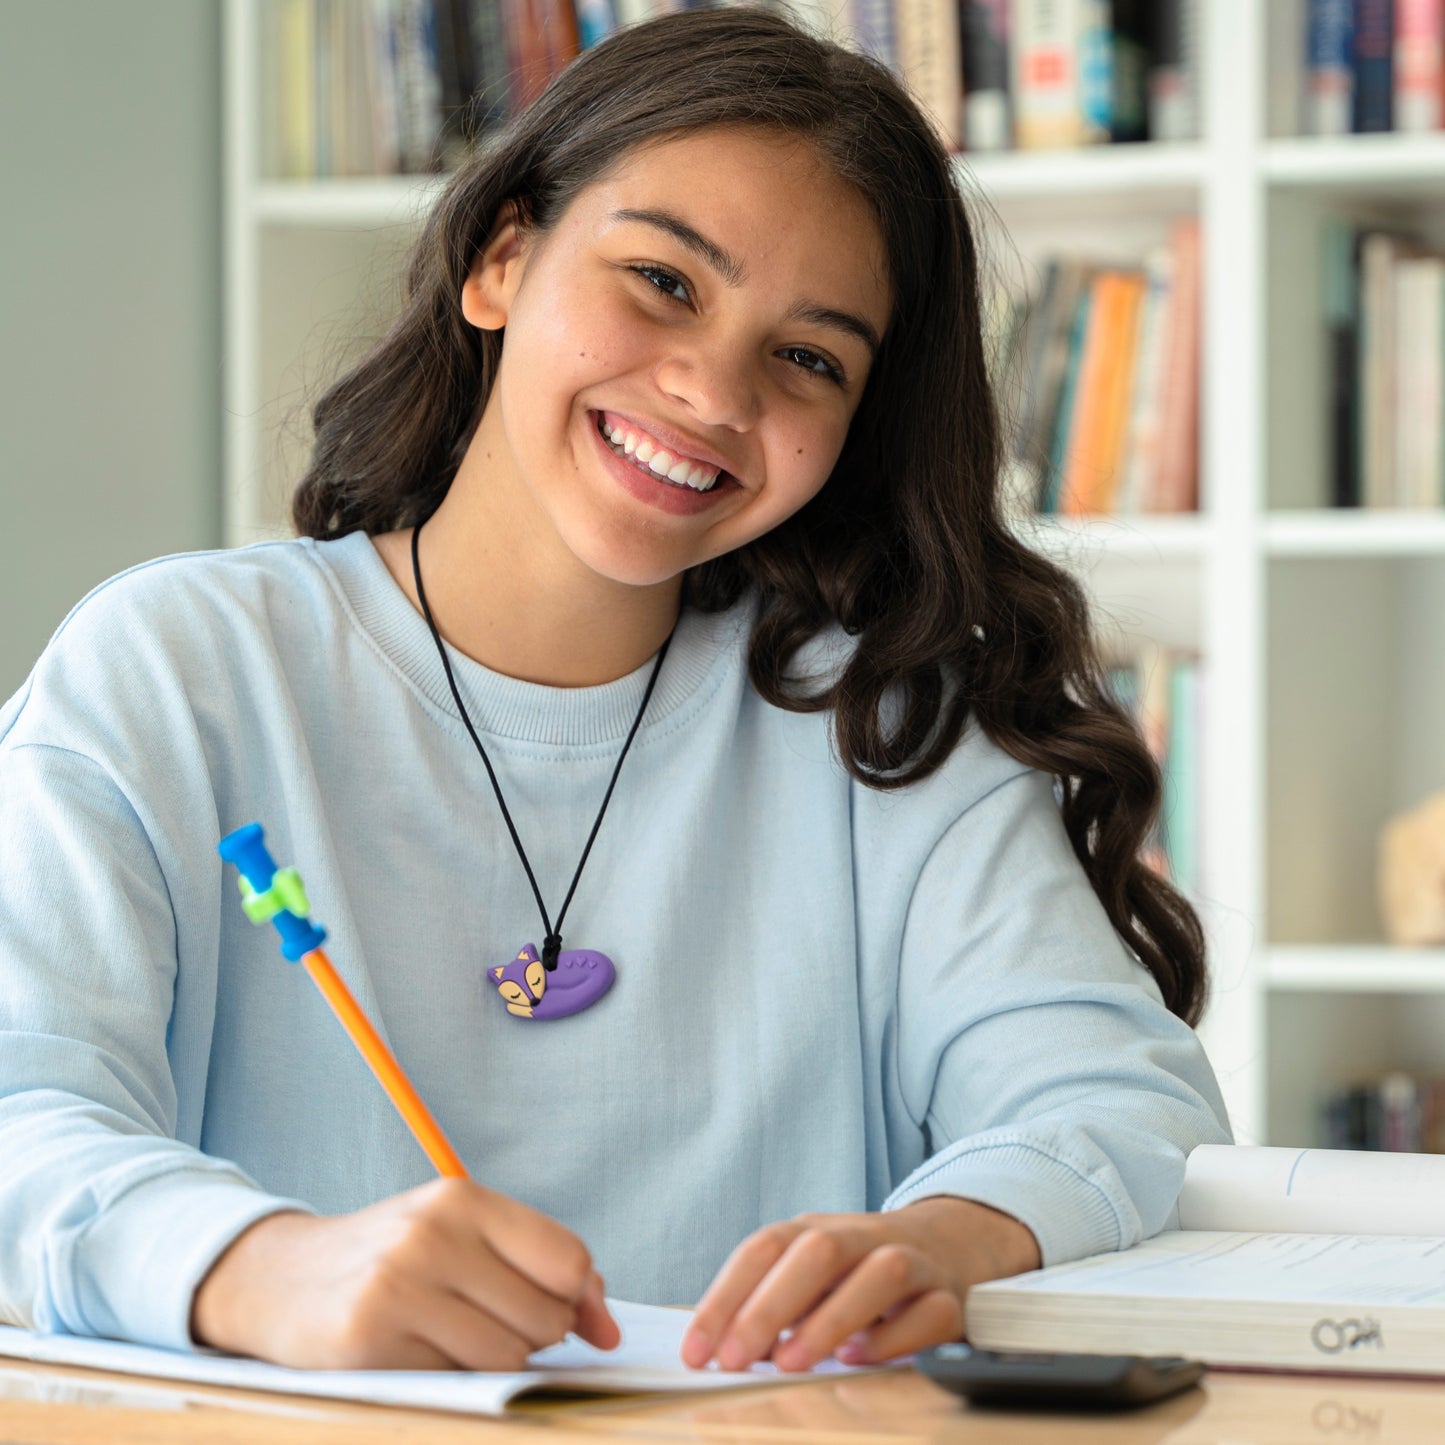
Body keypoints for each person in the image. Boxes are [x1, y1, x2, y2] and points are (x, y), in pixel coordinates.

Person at [0, 7, 1229, 1376]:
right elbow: (20, 1110)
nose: (712, 390)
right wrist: (259, 1268)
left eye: (809, 358)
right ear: (500, 259)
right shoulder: (174, 672)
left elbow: (1117, 1105)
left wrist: (951, 1235)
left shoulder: (889, 726)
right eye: (661, 280)